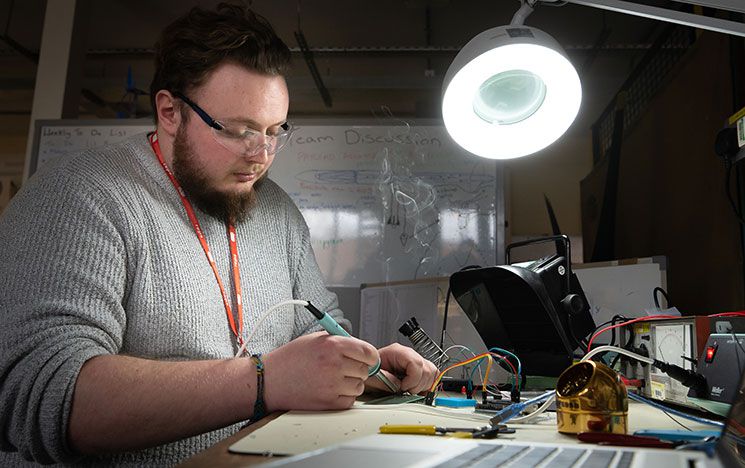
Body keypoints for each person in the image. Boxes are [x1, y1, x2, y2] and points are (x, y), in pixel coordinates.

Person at [0, 4, 437, 466]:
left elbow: (317, 331)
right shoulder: (80, 195)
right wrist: (263, 380)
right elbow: (42, 395)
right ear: (170, 112)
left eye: (273, 131)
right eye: (238, 130)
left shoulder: (278, 211)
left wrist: (364, 368)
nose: (261, 154)